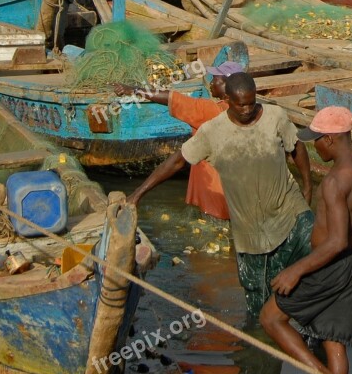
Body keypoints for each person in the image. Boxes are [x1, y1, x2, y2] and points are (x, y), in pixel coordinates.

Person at [126, 72, 313, 316]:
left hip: (290, 211)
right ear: (228, 100)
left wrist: (307, 186)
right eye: (240, 104)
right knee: (260, 302)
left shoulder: (275, 116)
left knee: (313, 269)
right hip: (251, 229)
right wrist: (138, 194)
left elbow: (296, 145)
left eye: (251, 103)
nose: (247, 110)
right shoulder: (212, 131)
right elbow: (176, 163)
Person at [259, 106, 352, 374]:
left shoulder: (334, 182)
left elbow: (334, 242)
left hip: (328, 265)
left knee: (270, 318)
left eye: (316, 140)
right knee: (333, 342)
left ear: (330, 140)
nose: (315, 146)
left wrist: (295, 270)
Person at [113, 61, 245, 220]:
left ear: (227, 86)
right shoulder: (244, 111)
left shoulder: (210, 111)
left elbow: (171, 98)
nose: (210, 83)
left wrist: (133, 90)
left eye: (215, 79)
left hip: (216, 202)